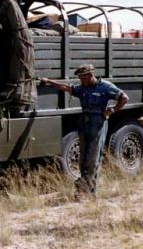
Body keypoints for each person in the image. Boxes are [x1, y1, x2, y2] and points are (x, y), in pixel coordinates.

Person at [40, 64, 129, 200]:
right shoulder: (83, 88)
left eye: (83, 78)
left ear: (90, 75)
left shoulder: (105, 87)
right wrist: (49, 82)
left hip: (98, 123)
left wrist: (112, 110)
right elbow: (66, 87)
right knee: (83, 158)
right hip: (84, 123)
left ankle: (89, 191)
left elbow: (124, 98)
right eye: (80, 78)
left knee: (93, 158)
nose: (81, 81)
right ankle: (84, 187)